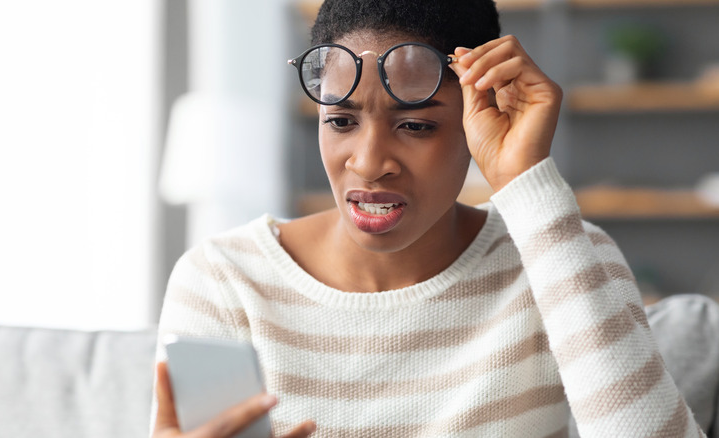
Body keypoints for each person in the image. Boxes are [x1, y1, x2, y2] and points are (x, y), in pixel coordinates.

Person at [151, 0, 707, 436]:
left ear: (477, 115)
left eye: (415, 126)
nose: (368, 164)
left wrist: (526, 181)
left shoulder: (562, 255)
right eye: (341, 121)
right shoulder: (225, 280)